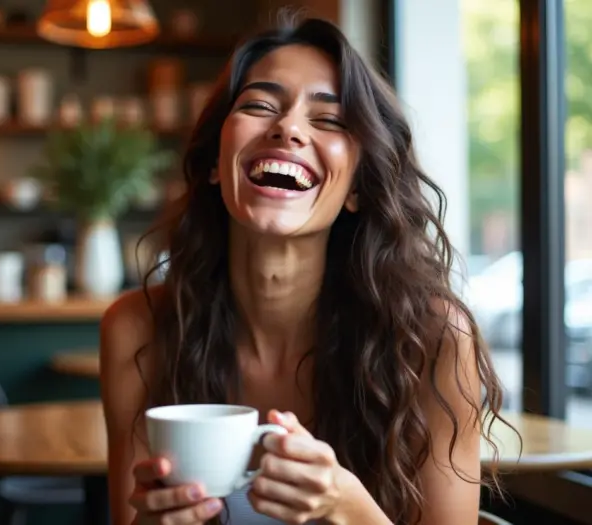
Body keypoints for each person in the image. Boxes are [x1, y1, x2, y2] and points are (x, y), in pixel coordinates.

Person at [100, 12, 510, 525]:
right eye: (259, 105)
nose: (288, 127)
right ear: (212, 162)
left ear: (358, 186)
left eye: (330, 119)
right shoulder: (137, 330)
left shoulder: (433, 339)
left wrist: (347, 506)